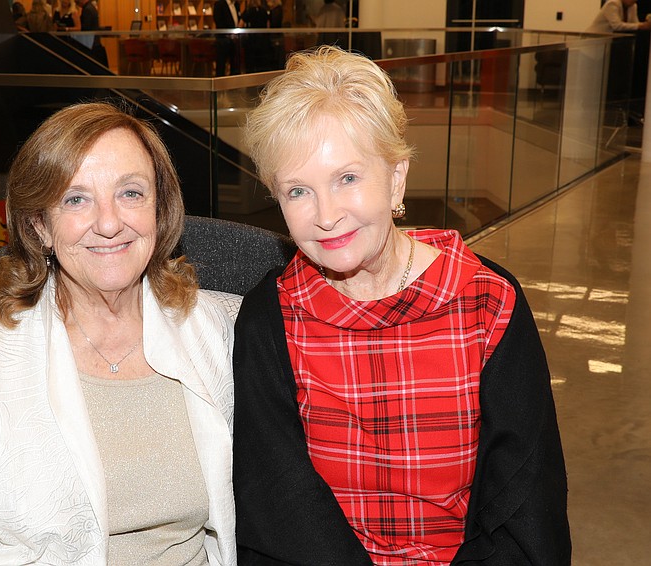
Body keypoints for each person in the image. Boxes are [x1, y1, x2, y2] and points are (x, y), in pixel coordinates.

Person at [0, 102, 240, 565]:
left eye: (131, 193)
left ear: (159, 211)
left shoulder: (219, 332)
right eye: (76, 199)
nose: (108, 223)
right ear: (39, 225)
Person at [233, 46, 571, 565]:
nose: (327, 215)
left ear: (396, 178)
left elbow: (523, 504)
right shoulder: (270, 318)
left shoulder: (486, 302)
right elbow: (278, 503)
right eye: (298, 190)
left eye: (348, 178)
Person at [240, 0, 270, 73]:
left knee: (251, 64)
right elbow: (268, 26)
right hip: (263, 41)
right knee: (261, 64)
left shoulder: (248, 11)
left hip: (251, 41)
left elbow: (240, 24)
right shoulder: (264, 11)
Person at [585, 0, 651, 33]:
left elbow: (635, 23)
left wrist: (644, 24)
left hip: (611, 42)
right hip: (595, 38)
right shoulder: (612, 4)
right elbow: (616, 26)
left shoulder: (633, 6)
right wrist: (641, 26)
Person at [214, 0, 241, 75]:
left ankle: (234, 83)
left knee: (234, 63)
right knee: (221, 64)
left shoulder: (236, 5)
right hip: (223, 39)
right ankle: (220, 84)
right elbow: (218, 21)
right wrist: (228, 34)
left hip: (235, 39)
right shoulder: (219, 4)